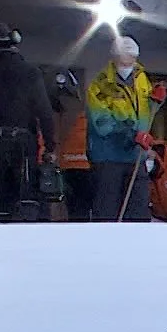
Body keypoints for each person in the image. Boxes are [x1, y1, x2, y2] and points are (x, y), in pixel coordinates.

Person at [0, 25, 55, 223]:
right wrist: (50, 146)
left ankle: (3, 229)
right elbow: (44, 111)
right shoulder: (30, 72)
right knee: (27, 194)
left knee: (0, 194)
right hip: (24, 141)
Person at [86, 36, 165, 222]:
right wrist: (131, 135)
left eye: (133, 57)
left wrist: (156, 102)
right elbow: (102, 123)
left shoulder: (142, 80)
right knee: (107, 211)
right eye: (126, 57)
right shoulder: (101, 85)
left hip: (136, 156)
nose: (130, 62)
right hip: (109, 158)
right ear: (115, 57)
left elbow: (143, 112)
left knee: (138, 211)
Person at [52, 70, 96, 221]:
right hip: (83, 167)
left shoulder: (50, 113)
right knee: (80, 212)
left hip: (59, 167)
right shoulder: (85, 112)